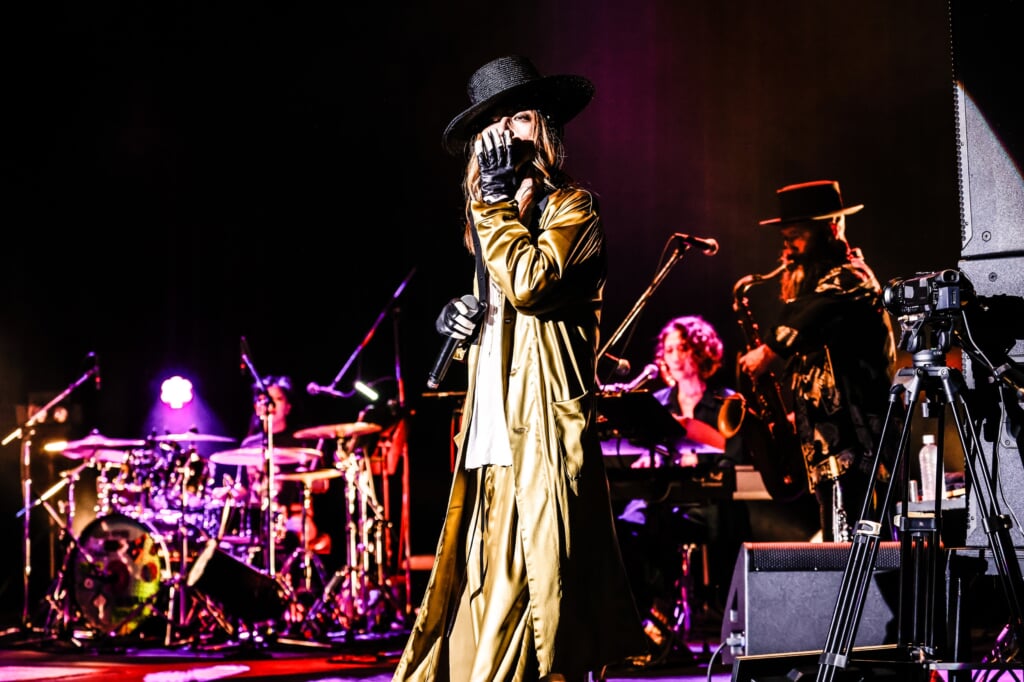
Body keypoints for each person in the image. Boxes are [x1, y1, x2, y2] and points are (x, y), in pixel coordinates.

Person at [393, 55, 647, 681]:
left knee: (530, 619)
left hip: (539, 441)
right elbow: (506, 322)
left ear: (545, 130)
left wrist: (492, 208)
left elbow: (532, 284)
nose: (506, 134)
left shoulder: (574, 209)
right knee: (475, 610)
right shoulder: (492, 225)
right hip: (488, 438)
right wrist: (462, 321)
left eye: (520, 118)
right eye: (494, 124)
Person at [736, 180, 898, 542]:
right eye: (785, 238)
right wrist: (795, 418)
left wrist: (770, 350)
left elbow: (819, 308)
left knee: (860, 554)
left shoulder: (853, 277)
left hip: (858, 451)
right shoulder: (820, 291)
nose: (787, 248)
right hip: (828, 451)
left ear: (831, 229)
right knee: (839, 551)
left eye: (795, 236)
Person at [615, 315, 752, 651]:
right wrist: (648, 459)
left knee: (664, 524)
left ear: (701, 352)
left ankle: (669, 612)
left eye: (683, 348)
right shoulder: (658, 404)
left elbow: (733, 459)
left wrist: (698, 459)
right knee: (625, 526)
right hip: (662, 500)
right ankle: (642, 616)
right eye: (669, 349)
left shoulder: (727, 402)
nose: (674, 356)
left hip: (707, 506)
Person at [230, 375, 332, 561]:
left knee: (303, 531)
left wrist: (303, 478)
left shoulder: (303, 441)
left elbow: (322, 485)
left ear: (288, 407)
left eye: (277, 399)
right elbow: (243, 488)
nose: (271, 405)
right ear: (256, 407)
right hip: (257, 519)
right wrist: (229, 493)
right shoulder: (249, 444)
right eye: (264, 400)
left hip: (294, 517)